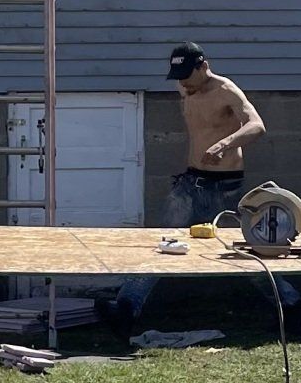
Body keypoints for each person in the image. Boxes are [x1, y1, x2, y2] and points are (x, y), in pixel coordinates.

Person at [112, 42, 266, 327]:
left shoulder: (226, 90)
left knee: (240, 250)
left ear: (203, 66)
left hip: (224, 187)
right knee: (163, 243)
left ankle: (289, 304)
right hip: (191, 181)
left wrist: (225, 143)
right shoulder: (185, 86)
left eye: (187, 74)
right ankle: (126, 307)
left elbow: (257, 125)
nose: (182, 82)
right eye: (177, 75)